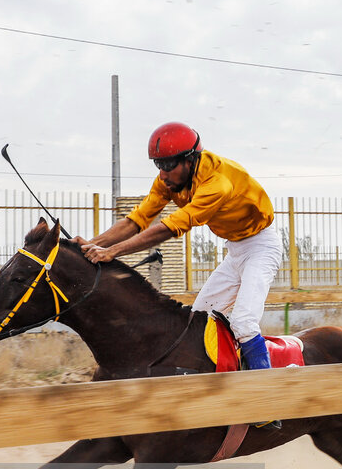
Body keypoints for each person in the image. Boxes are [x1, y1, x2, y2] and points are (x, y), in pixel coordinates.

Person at [77, 122, 283, 425]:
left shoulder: (217, 183)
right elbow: (138, 219)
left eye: (167, 166)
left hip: (261, 247)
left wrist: (113, 252)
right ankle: (215, 389)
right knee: (199, 318)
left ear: (190, 160)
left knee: (243, 322)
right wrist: (90, 245)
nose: (162, 174)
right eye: (157, 165)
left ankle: (267, 405)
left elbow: (170, 227)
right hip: (235, 250)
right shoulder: (170, 179)